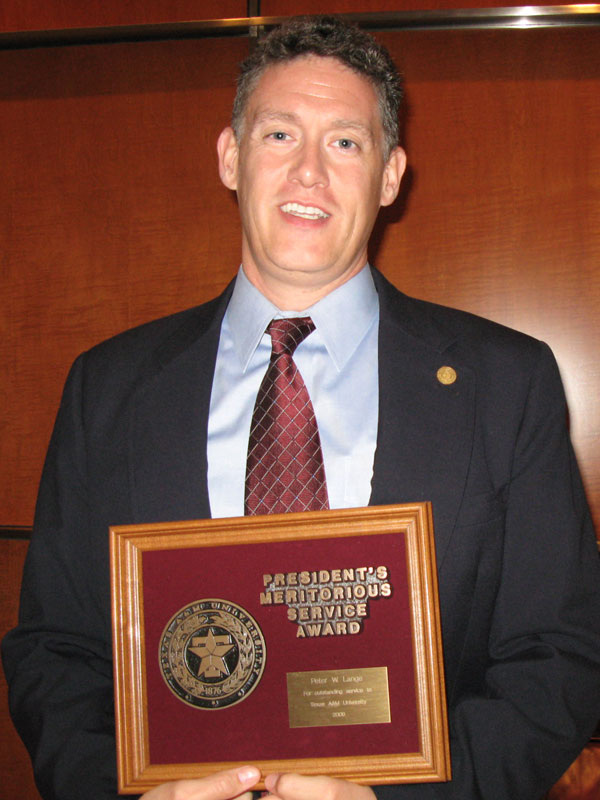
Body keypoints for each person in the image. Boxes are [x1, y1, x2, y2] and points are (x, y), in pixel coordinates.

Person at [3, 14, 600, 800]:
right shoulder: (106, 388)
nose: (310, 172)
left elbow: (559, 654)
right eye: (280, 135)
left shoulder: (508, 382)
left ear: (390, 175)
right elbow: (55, 649)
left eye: (346, 142)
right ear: (231, 157)